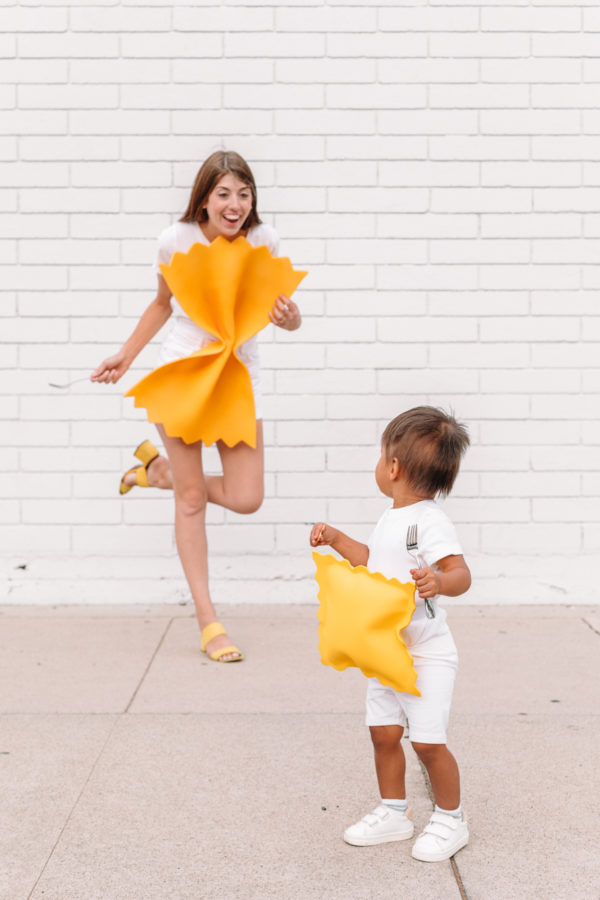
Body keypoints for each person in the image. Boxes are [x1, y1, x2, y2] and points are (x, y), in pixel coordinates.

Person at [92, 150, 301, 663]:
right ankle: (209, 621)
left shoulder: (264, 240)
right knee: (192, 500)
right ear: (204, 199)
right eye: (224, 194)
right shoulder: (176, 240)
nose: (235, 205)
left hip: (235, 378)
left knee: (248, 496)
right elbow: (163, 303)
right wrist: (125, 354)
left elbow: (281, 318)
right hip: (184, 372)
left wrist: (290, 318)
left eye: (244, 194)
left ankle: (156, 472)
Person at [309, 406, 471, 862]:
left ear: (393, 467)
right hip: (386, 651)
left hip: (426, 654)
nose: (379, 465)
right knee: (382, 732)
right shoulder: (391, 517)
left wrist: (439, 582)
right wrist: (339, 540)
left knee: (426, 742)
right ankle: (394, 811)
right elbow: (373, 563)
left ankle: (450, 818)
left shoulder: (429, 522)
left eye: (381, 457)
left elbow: (461, 573)